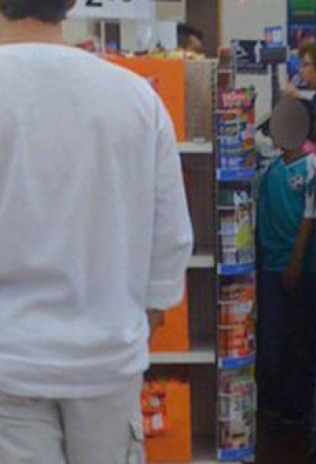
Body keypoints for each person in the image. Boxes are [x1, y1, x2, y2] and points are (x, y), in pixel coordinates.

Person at [0, 1, 194, 464]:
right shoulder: (135, 96)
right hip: (108, 357)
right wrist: (140, 317)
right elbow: (170, 235)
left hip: (9, 361)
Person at [256, 96, 316, 424]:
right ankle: (275, 401)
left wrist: (296, 262)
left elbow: (309, 218)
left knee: (298, 335)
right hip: (272, 265)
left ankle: (298, 405)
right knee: (274, 334)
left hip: (298, 267)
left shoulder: (313, 168)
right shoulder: (271, 170)